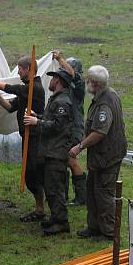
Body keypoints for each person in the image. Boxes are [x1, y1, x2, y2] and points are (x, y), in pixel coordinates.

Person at [69, 65, 127, 240]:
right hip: (101, 157)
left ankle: (108, 232)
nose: (86, 82)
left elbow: (100, 133)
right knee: (92, 190)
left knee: (104, 194)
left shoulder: (104, 104)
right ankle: (93, 227)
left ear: (93, 83)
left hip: (107, 157)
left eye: (88, 79)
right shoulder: (109, 95)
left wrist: (80, 146)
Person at [0, 56, 46, 222]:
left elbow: (9, 88)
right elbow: (10, 108)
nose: (18, 71)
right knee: (30, 174)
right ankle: (40, 208)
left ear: (28, 69)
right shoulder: (27, 89)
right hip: (27, 137)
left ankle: (41, 209)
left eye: (20, 69)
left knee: (33, 173)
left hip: (35, 138)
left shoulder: (34, 88)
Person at [23, 69, 74, 235]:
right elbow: (51, 119)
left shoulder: (63, 102)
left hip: (56, 151)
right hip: (50, 150)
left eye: (53, 78)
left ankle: (61, 222)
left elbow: (58, 126)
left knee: (55, 188)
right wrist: (37, 115)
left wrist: (37, 121)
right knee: (51, 187)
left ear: (58, 81)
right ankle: (55, 217)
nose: (50, 81)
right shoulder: (57, 99)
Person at [54, 51, 87, 205]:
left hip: (74, 128)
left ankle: (82, 197)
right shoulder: (68, 86)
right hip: (68, 127)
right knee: (64, 160)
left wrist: (60, 58)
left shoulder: (78, 85)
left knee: (70, 160)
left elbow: (71, 73)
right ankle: (65, 196)